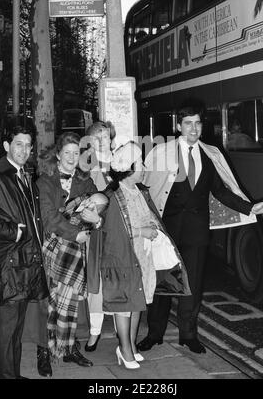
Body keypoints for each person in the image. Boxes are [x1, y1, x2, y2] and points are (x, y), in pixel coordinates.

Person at [137, 98, 263, 354]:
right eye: (188, 124)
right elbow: (145, 190)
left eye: (198, 123)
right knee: (163, 285)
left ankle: (188, 335)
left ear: (202, 126)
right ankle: (154, 333)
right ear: (179, 126)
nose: (193, 129)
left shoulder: (211, 154)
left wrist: (250, 207)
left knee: (193, 285)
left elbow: (221, 191)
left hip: (197, 232)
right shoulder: (160, 152)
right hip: (165, 232)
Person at [96, 141, 190, 369]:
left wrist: (152, 229)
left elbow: (148, 216)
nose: (145, 167)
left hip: (142, 255)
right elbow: (111, 230)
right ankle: (124, 349)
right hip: (122, 257)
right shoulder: (113, 195)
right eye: (141, 163)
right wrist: (142, 231)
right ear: (129, 168)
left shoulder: (138, 191)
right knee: (124, 305)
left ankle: (131, 345)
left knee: (138, 302)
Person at [0, 125, 49, 379]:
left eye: (28, 145)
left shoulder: (24, 174)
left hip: (25, 262)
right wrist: (13, 231)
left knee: (16, 330)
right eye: (18, 144)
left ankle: (12, 374)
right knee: (6, 331)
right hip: (9, 263)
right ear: (6, 146)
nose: (24, 150)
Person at [36, 132, 102, 367]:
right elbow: (49, 217)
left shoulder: (86, 181)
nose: (72, 157)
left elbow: (99, 206)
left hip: (76, 249)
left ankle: (68, 348)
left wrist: (96, 220)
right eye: (68, 153)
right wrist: (76, 233)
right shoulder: (44, 181)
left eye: (76, 153)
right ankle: (44, 351)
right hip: (54, 247)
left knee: (71, 300)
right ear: (58, 155)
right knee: (50, 300)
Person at [79, 120, 116, 352]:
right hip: (96, 234)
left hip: (119, 232)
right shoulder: (85, 167)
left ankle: (125, 334)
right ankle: (94, 332)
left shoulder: (123, 161)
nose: (104, 142)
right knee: (96, 285)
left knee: (121, 279)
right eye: (98, 138)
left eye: (107, 137)